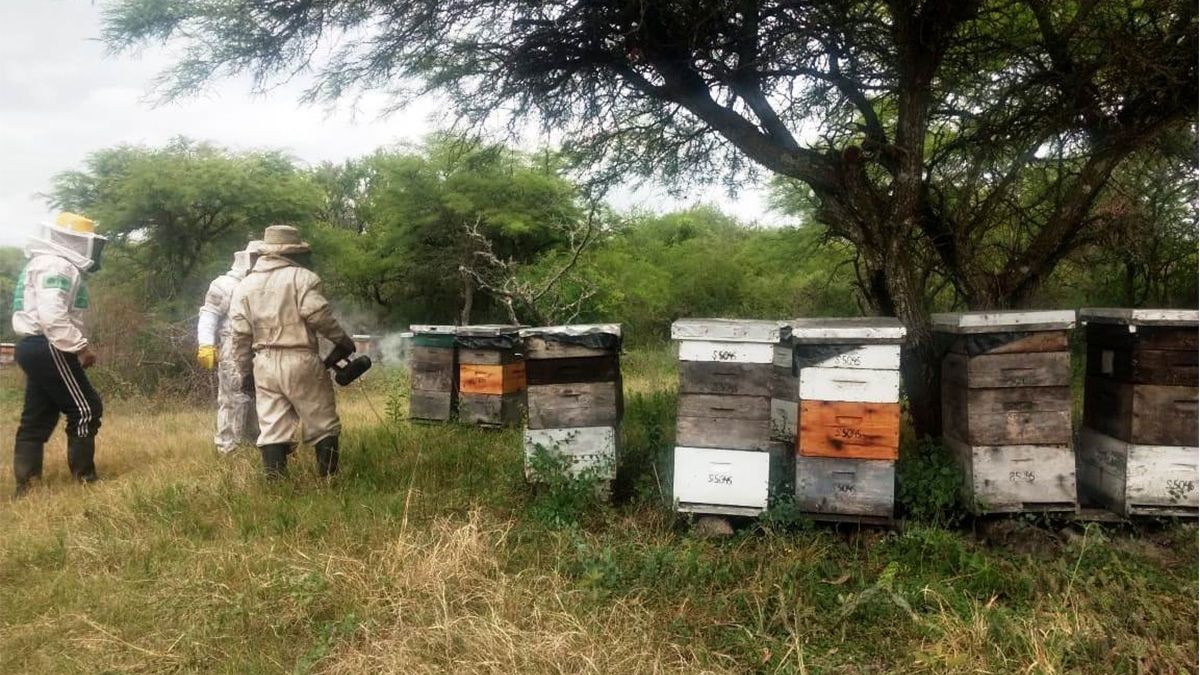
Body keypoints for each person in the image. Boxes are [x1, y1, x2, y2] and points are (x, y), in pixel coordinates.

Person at [229, 225, 355, 478]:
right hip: (300, 358)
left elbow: (239, 336)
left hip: (263, 362)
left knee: (272, 425)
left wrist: (245, 372)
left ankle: (277, 487)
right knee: (322, 422)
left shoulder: (244, 286)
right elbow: (318, 316)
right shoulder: (303, 278)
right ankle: (329, 482)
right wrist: (343, 342)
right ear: (292, 253)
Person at [10, 213, 108, 498]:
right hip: (49, 344)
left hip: (33, 345)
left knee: (37, 417)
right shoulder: (58, 265)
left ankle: (26, 488)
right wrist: (81, 347)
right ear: (75, 241)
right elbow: (52, 316)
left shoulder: (42, 262)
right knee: (86, 408)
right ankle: (85, 479)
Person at [197, 242, 262, 454]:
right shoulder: (224, 284)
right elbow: (209, 314)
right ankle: (228, 448)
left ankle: (256, 442)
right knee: (233, 398)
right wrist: (205, 345)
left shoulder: (263, 283)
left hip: (260, 348)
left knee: (259, 397)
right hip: (232, 347)